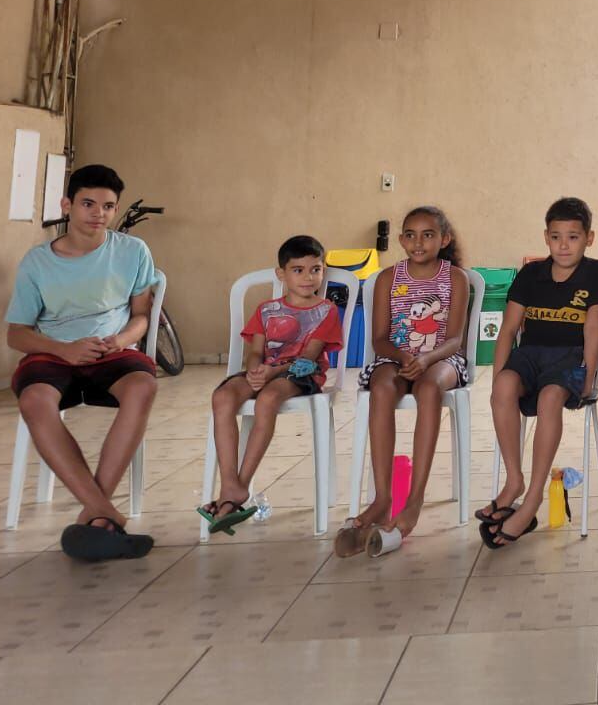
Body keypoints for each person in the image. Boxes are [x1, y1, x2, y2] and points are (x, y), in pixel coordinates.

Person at [6, 164, 159, 561]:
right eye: (89, 203)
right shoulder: (37, 262)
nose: (99, 214)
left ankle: (96, 516)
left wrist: (119, 340)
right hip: (53, 353)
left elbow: (141, 316)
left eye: (109, 206)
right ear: (67, 205)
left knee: (143, 386)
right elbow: (16, 333)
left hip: (112, 351)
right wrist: (64, 349)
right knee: (34, 402)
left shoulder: (133, 251)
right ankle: (105, 515)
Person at [479, 197, 598, 547]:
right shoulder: (531, 274)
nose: (564, 245)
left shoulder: (597, 272)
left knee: (550, 396)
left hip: (569, 358)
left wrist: (589, 376)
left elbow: (593, 327)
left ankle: (534, 496)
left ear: (590, 238)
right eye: (556, 237)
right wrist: (499, 375)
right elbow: (509, 330)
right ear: (546, 237)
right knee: (504, 388)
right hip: (530, 355)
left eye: (573, 236)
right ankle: (514, 481)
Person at [339, 205, 470, 556]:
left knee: (429, 387)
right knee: (381, 387)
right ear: (400, 240)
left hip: (442, 358)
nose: (418, 242)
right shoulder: (387, 279)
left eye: (428, 234)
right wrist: (404, 358)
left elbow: (456, 338)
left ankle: (414, 499)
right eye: (410, 234)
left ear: (444, 239)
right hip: (395, 358)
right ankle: (383, 498)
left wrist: (426, 358)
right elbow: (379, 339)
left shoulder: (455, 278)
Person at [201, 234, 342, 534]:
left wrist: (270, 374)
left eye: (315, 269)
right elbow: (254, 352)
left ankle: (241, 484)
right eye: (298, 270)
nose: (308, 277)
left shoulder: (326, 311)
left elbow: (308, 357)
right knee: (222, 398)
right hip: (264, 371)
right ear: (282, 274)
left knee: (267, 400)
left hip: (300, 373)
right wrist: (254, 372)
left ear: (323, 270)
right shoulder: (266, 310)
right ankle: (231, 486)